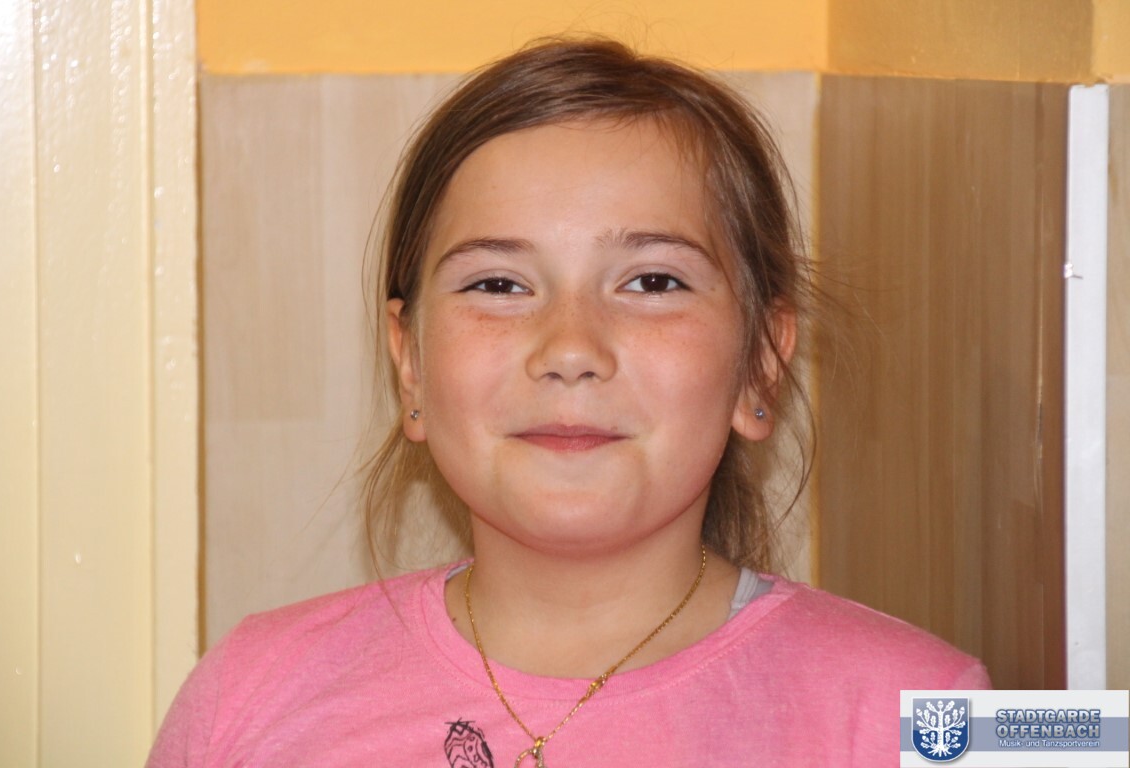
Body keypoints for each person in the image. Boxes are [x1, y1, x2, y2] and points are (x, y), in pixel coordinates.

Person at [148, 37, 989, 767]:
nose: (571, 349)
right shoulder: (247, 694)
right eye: (498, 284)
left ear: (760, 365)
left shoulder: (935, 715)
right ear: (410, 367)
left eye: (652, 282)